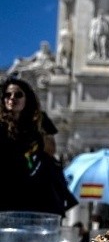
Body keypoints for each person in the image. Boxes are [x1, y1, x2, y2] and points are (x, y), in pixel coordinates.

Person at [0, 77, 75, 215]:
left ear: (27, 99)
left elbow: (51, 150)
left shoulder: (40, 119)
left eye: (18, 95)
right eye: (7, 95)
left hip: (36, 187)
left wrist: (37, 129)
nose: (12, 98)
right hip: (6, 186)